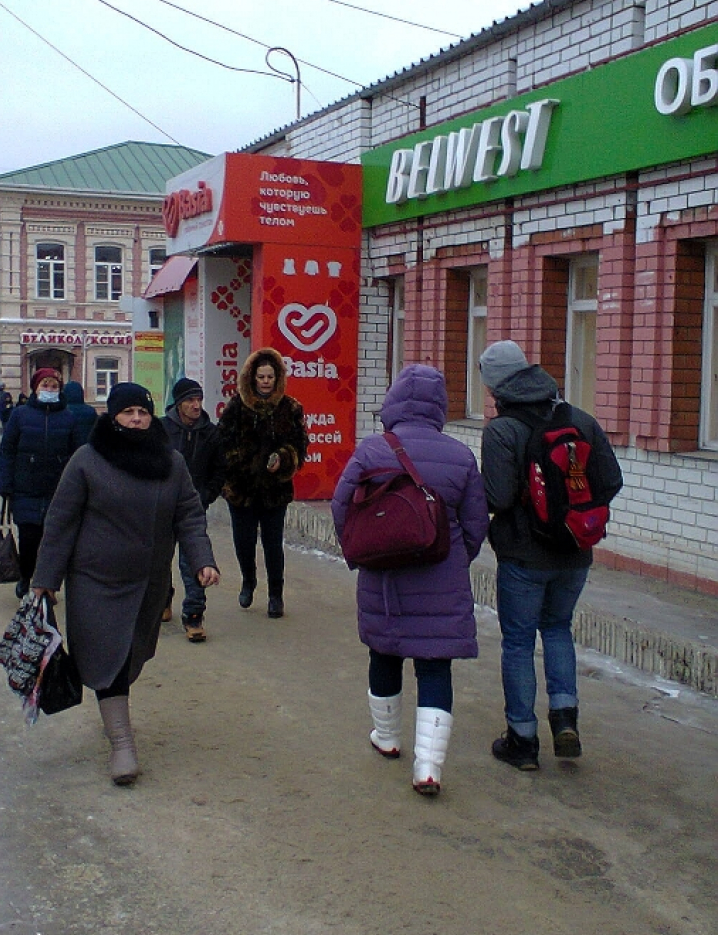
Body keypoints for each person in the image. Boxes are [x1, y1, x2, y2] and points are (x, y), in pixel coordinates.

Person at [31, 383, 219, 785]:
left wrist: (202, 560)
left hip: (149, 583)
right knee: (109, 660)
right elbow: (61, 522)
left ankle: (112, 712)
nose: (136, 419)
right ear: (112, 416)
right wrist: (44, 579)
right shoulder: (87, 460)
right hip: (94, 581)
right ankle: (122, 743)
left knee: (129, 656)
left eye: (143, 412)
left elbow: (189, 514)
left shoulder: (171, 463)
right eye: (128, 411)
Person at [332, 364, 489, 796]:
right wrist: (452, 556)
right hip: (442, 578)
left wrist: (363, 550)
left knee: (384, 653)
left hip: (383, 575)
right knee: (435, 665)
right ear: (440, 406)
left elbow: (341, 506)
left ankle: (386, 738)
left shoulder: (371, 451)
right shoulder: (460, 456)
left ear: (393, 402)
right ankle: (428, 767)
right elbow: (476, 525)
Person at [479, 340, 623, 771]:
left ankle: (522, 741)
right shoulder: (578, 419)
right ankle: (565, 720)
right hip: (575, 553)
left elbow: (498, 497)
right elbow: (610, 481)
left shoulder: (502, 429)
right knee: (558, 629)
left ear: (495, 384)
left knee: (520, 643)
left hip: (523, 557)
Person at [218, 347, 308, 618]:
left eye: (270, 376)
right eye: (261, 376)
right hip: (242, 489)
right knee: (244, 543)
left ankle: (275, 595)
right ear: (252, 378)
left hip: (274, 490)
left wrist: (283, 458)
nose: (266, 381)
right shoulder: (236, 406)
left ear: (278, 377)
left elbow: (299, 446)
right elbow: (221, 443)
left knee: (273, 544)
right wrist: (240, 464)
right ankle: (248, 581)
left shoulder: (290, 408)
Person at [0, 367, 86, 599]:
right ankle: (27, 578)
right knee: (28, 539)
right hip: (25, 488)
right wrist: (5, 484)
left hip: (58, 490)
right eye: (45, 386)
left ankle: (47, 585)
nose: (49, 390)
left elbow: (79, 455)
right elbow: (7, 450)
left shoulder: (68, 417)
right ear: (35, 389)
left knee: (53, 541)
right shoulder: (20, 415)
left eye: (54, 386)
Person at [161, 377, 226, 642]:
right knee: (160, 558)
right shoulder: (162, 430)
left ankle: (194, 615)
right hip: (163, 506)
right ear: (178, 404)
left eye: (198, 399)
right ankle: (163, 600)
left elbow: (219, 470)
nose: (196, 405)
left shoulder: (210, 433)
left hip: (193, 507)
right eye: (190, 400)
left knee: (194, 561)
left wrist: (206, 496)